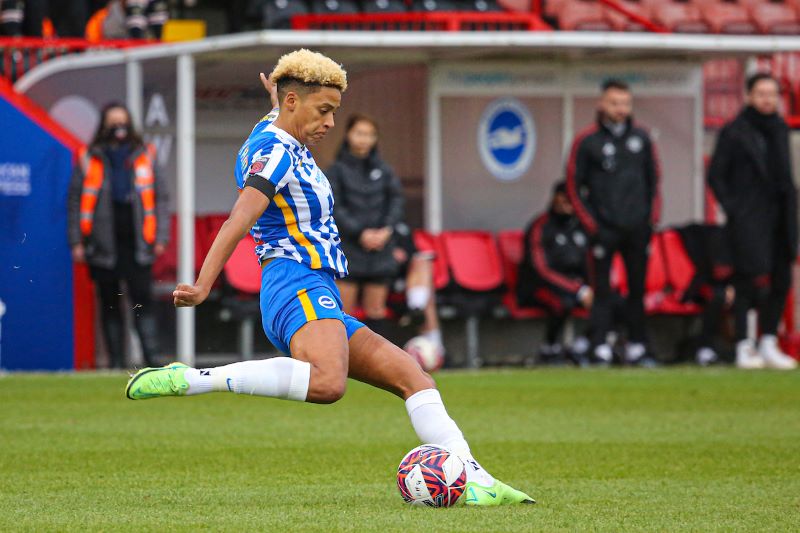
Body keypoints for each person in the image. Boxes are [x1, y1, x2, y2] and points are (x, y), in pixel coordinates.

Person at [124, 49, 533, 506]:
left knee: (414, 378)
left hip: (317, 288)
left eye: (335, 111)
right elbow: (238, 219)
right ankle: (194, 378)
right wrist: (202, 284)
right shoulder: (276, 150)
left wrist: (276, 102)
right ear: (294, 101)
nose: (331, 123)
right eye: (324, 110)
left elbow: (275, 117)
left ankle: (473, 477)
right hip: (293, 279)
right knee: (327, 384)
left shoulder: (273, 132)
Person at [565, 79, 661, 367]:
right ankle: (599, 345)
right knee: (602, 291)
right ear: (601, 104)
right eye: (615, 103)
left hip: (636, 229)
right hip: (603, 230)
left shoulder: (642, 139)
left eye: (625, 104)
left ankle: (637, 345)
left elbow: (654, 182)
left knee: (636, 289)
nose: (621, 109)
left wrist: (650, 221)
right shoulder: (588, 141)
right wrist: (591, 224)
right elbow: (573, 185)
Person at [68, 102, 169, 369]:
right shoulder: (89, 156)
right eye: (113, 123)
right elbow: (75, 200)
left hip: (139, 242)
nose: (118, 129)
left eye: (122, 122)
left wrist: (161, 237)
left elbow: (160, 198)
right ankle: (115, 364)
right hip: (102, 244)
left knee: (142, 301)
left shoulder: (144, 153)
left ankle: (152, 360)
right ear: (103, 126)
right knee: (110, 304)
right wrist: (76, 240)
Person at [707, 73, 798, 370]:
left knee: (781, 279)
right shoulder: (735, 132)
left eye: (772, 94)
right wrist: (736, 208)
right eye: (761, 93)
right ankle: (743, 344)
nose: (767, 99)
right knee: (747, 282)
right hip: (748, 218)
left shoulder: (781, 130)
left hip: (781, 216)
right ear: (748, 96)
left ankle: (769, 341)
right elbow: (716, 176)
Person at [327, 114, 405, 338]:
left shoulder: (385, 170)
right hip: (349, 249)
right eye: (359, 133)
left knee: (376, 311)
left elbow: (396, 201)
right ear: (348, 135)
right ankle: (340, 364)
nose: (364, 139)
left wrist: (386, 231)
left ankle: (378, 366)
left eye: (370, 135)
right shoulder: (336, 170)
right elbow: (335, 207)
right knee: (343, 312)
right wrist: (360, 233)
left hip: (380, 250)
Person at [518, 182, 592, 365]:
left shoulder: (580, 226)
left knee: (610, 300)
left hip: (574, 286)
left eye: (572, 198)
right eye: (564, 197)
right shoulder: (540, 226)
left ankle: (586, 346)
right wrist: (578, 290)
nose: (568, 202)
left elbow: (590, 262)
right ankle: (549, 348)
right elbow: (540, 269)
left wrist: (590, 288)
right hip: (538, 286)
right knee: (561, 302)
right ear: (555, 198)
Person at [677, 223, 735, 366]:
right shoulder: (706, 247)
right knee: (718, 297)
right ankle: (706, 347)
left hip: (725, 288)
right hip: (694, 288)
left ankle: (744, 347)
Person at [390, 221, 445, 355]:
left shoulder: (400, 228)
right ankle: (438, 350)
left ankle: (415, 308)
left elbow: (412, 252)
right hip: (378, 279)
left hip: (405, 283)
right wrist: (387, 253)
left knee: (423, 261)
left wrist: (404, 256)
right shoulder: (360, 226)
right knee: (427, 297)